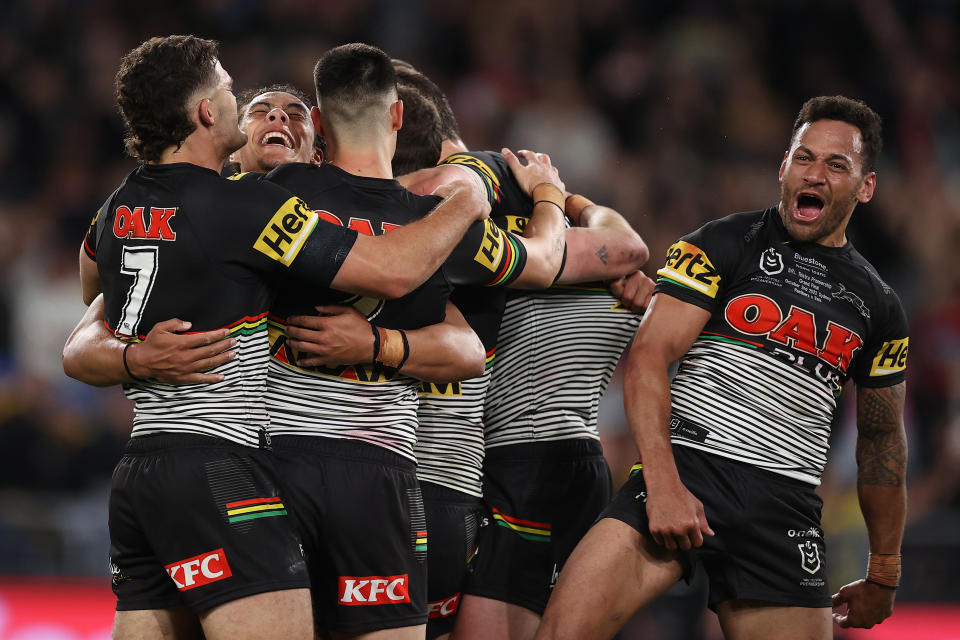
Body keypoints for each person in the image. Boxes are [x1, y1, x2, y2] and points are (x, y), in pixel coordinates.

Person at [67, 35, 487, 640]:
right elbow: (393, 269)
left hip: (141, 469)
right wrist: (466, 199)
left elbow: (94, 291)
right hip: (220, 462)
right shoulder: (248, 210)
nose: (249, 106)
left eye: (291, 112)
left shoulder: (114, 210)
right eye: (234, 93)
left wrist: (132, 356)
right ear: (207, 113)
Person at [535, 96, 909, 640]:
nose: (815, 174)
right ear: (783, 167)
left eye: (836, 165)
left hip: (785, 507)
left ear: (865, 186)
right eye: (805, 158)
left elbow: (881, 440)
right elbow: (649, 358)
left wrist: (886, 572)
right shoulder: (722, 243)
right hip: (686, 470)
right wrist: (662, 483)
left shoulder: (880, 306)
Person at [314, 62, 654, 640]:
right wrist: (562, 200)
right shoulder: (526, 193)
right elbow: (625, 248)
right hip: (526, 461)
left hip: (504, 465)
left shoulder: (435, 209)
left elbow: (605, 257)